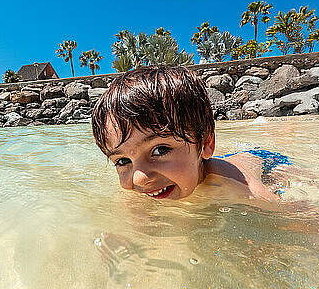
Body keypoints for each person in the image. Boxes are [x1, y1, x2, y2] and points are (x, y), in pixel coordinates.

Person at [91, 66, 291, 204]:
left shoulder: (244, 189)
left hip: (268, 161)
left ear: (205, 143)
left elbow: (302, 219)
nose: (139, 179)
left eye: (160, 150)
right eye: (122, 161)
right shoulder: (143, 185)